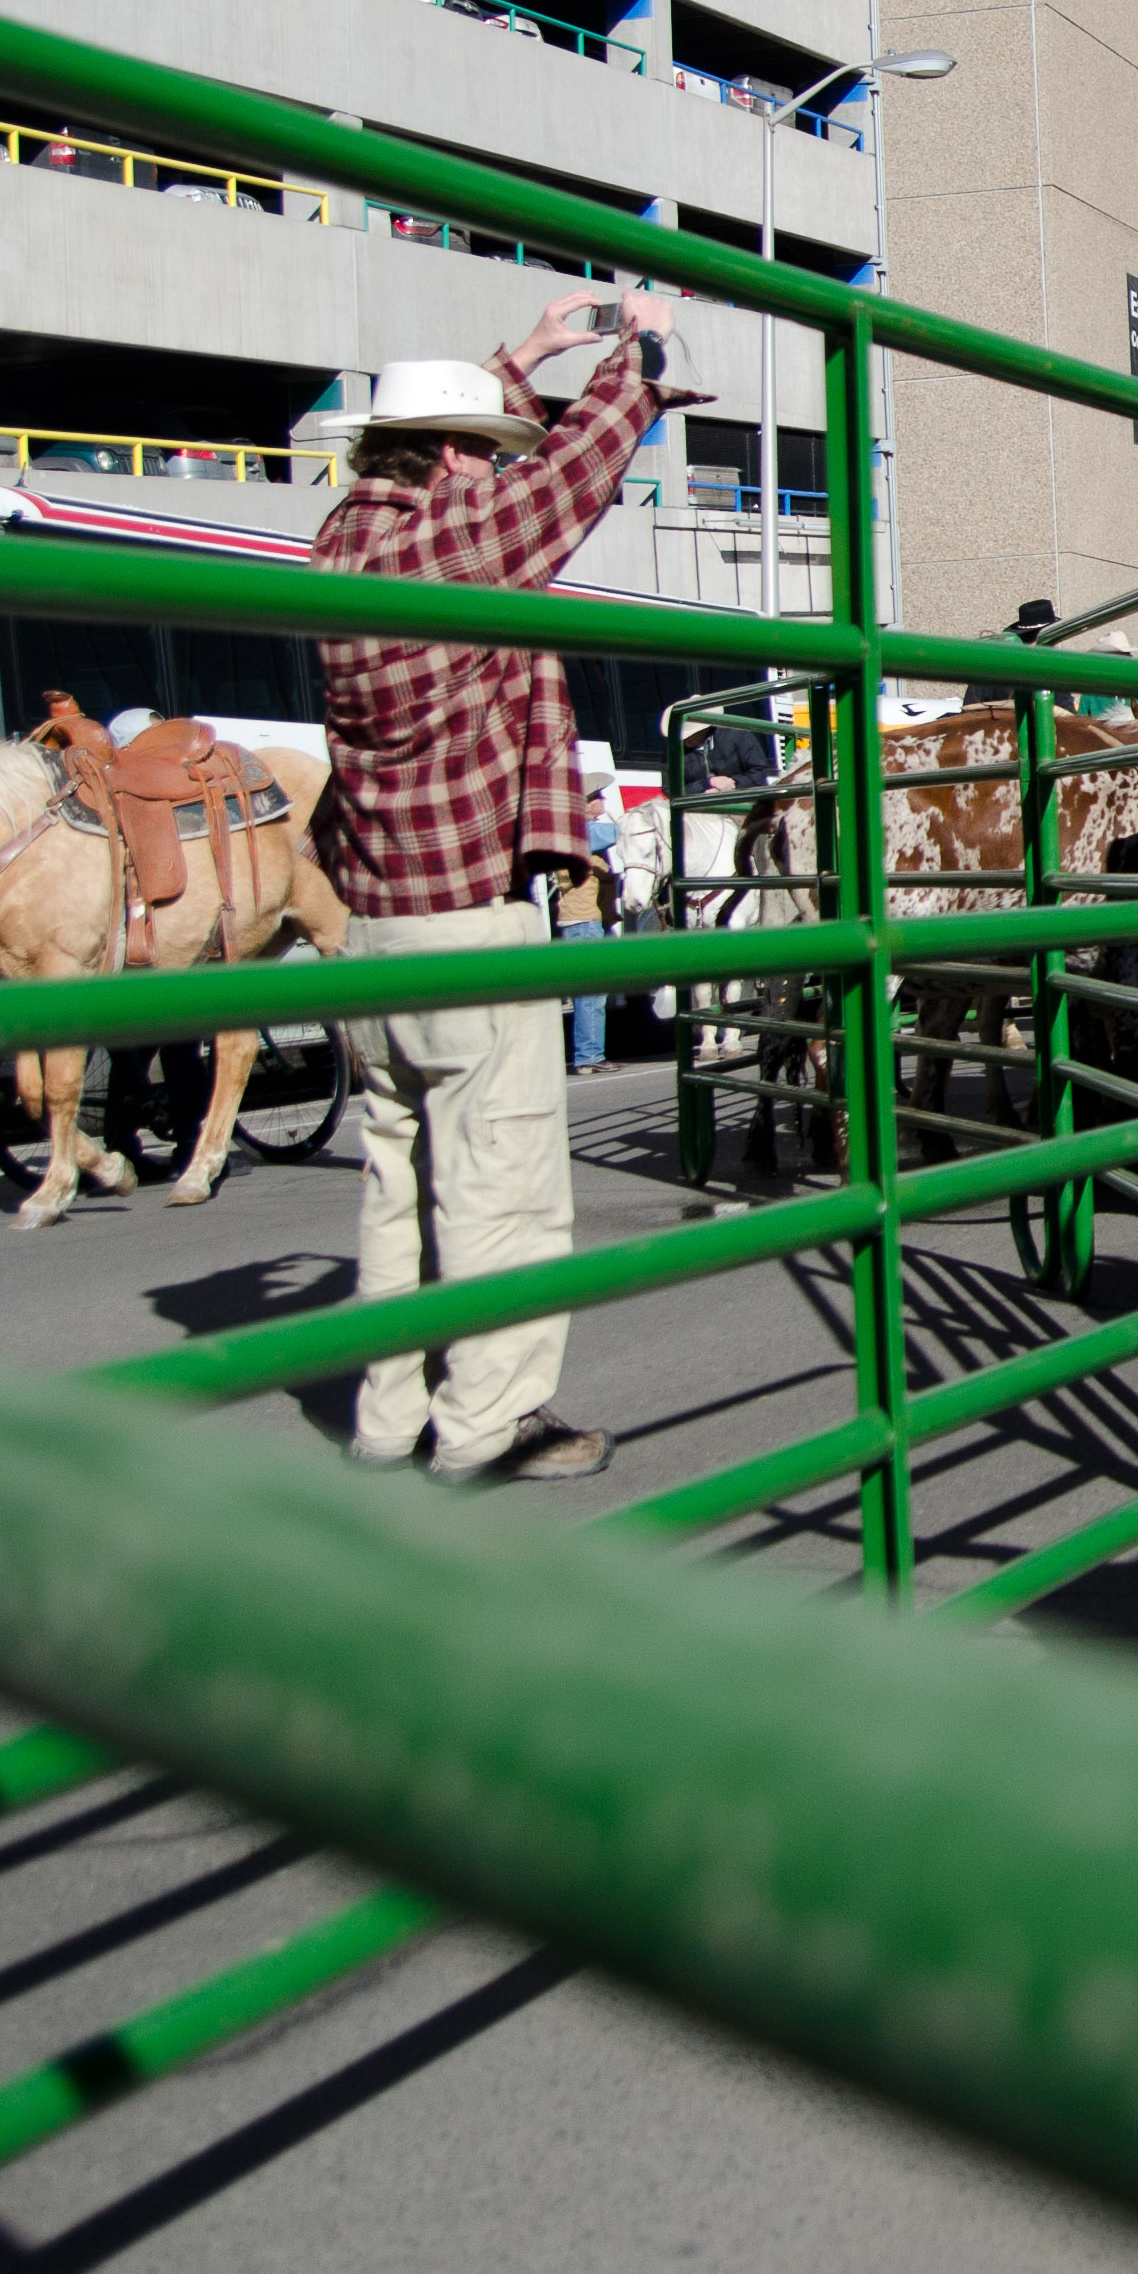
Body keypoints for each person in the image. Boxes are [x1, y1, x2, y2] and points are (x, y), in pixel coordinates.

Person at [315, 286, 688, 1484]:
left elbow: (479, 482)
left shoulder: (345, 541)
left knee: (396, 1185)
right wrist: (641, 362)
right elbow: (556, 491)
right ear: (452, 458)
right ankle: (486, 1425)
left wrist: (520, 358)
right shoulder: (447, 550)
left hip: (372, 930)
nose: (495, 469)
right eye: (484, 448)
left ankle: (387, 1415)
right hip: (467, 924)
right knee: (502, 1185)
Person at [556, 801, 623, 1078]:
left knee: (590, 993)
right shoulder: (580, 834)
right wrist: (611, 817)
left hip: (584, 921)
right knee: (591, 994)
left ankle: (588, 1056)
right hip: (583, 923)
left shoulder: (572, 834)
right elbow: (616, 832)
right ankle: (589, 1056)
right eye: (598, 798)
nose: (603, 803)